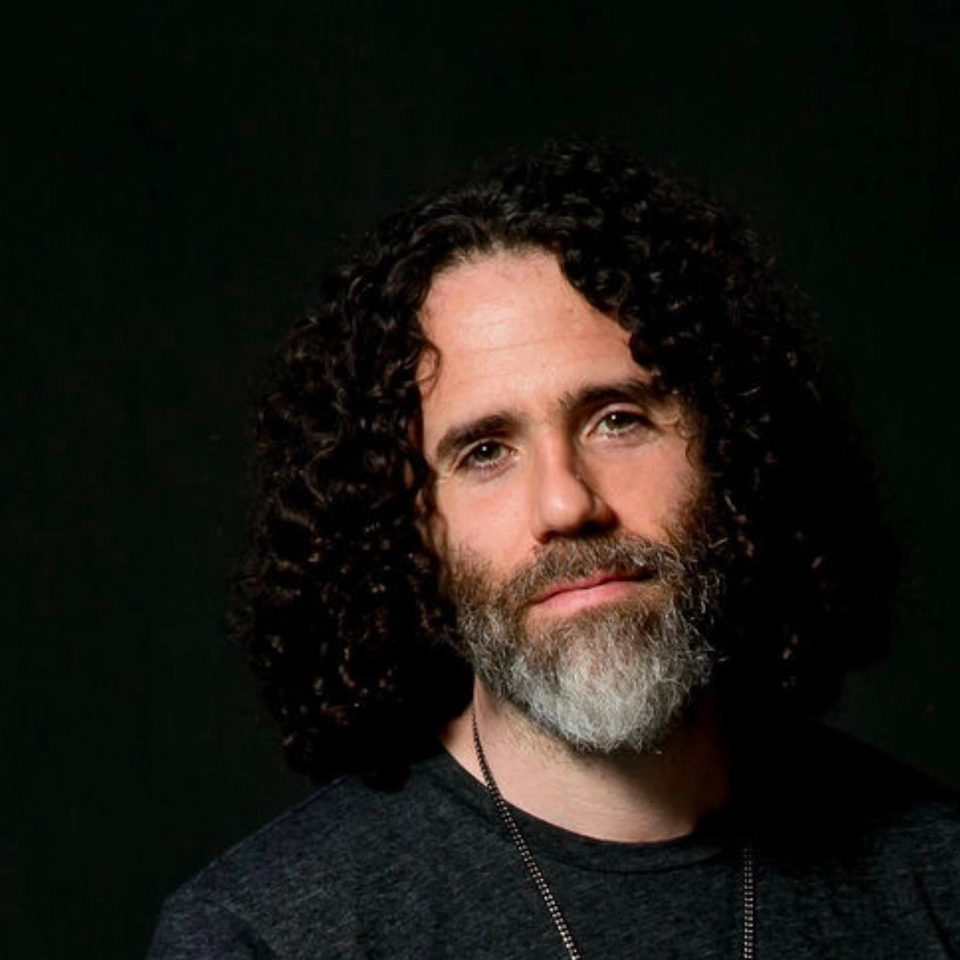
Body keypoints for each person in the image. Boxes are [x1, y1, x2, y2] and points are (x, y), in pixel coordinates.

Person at [148, 140, 959, 959]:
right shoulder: (262, 937)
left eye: (618, 419)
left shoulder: (937, 877)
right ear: (407, 527)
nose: (567, 503)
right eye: (485, 452)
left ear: (735, 448)